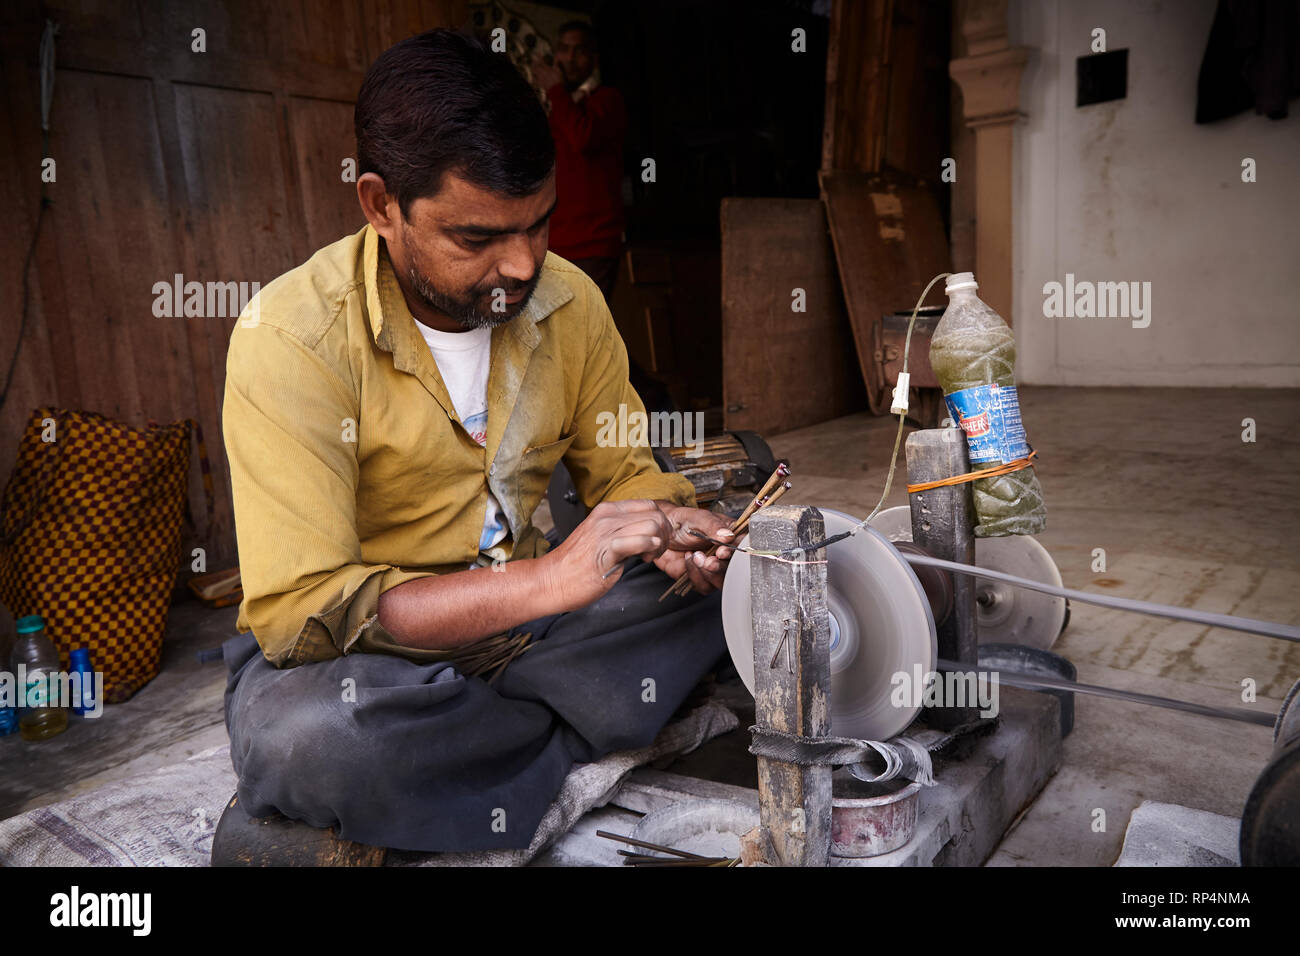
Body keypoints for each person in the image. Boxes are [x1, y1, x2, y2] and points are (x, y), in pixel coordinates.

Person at [217, 28, 734, 856]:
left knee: (718, 605)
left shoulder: (569, 302)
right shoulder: (292, 339)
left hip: (541, 629)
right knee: (314, 740)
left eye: (539, 224)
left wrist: (679, 535)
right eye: (478, 238)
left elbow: (626, 474)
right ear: (382, 205)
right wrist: (551, 578)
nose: (524, 265)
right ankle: (570, 725)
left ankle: (483, 754)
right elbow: (306, 614)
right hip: (372, 660)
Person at [532, 20, 626, 302]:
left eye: (579, 51)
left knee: (582, 335)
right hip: (555, 245)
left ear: (594, 60)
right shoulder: (557, 107)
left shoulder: (608, 101)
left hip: (593, 245)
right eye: (564, 49)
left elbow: (582, 137)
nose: (570, 59)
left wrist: (555, 90)